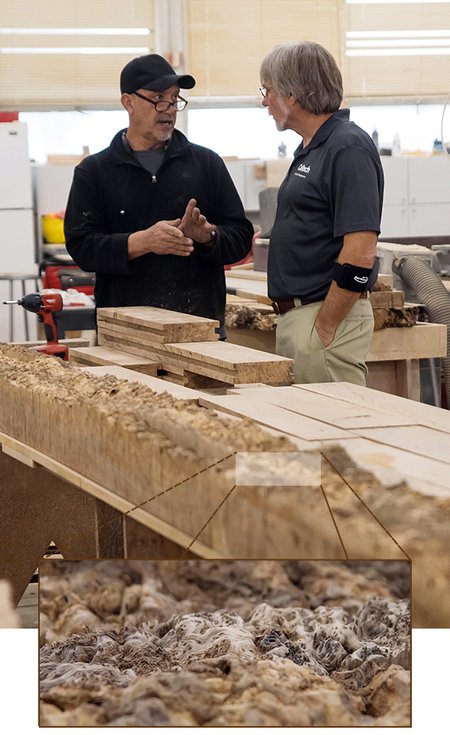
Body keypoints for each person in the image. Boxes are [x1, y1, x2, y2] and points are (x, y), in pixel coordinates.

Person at [64, 54, 253, 335]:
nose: (169, 109)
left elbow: (240, 237)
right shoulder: (95, 171)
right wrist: (142, 242)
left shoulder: (207, 163)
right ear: (128, 103)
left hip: (199, 331)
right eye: (158, 98)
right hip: (125, 334)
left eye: (175, 99)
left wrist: (208, 237)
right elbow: (82, 248)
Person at [260, 41, 384, 385]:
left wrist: (326, 326)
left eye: (267, 90)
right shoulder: (315, 146)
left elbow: (361, 251)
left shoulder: (347, 148)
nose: (264, 101)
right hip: (302, 318)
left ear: (292, 95)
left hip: (323, 318)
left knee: (336, 432)